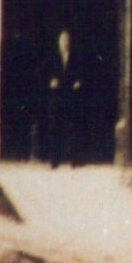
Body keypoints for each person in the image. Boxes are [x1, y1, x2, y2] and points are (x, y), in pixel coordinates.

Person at [43, 28, 83, 168]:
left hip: (71, 96)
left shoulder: (76, 57)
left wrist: (78, 81)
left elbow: (81, 73)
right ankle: (54, 160)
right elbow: (44, 72)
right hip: (57, 96)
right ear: (58, 42)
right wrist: (51, 81)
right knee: (55, 128)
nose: (65, 43)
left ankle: (74, 160)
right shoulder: (52, 57)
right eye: (63, 40)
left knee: (72, 127)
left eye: (67, 40)